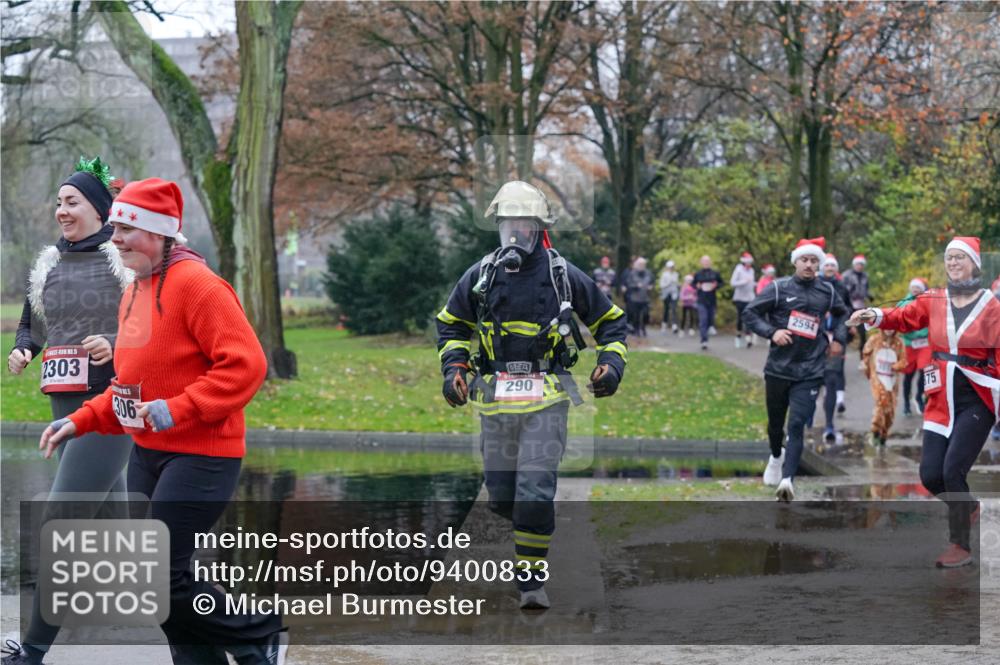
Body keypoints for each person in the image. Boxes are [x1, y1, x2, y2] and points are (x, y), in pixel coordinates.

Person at [37, 178, 287, 663]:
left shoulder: (199, 285)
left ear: (157, 232)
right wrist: (82, 420)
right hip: (148, 455)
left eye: (126, 230)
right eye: (114, 229)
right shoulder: (134, 291)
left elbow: (246, 365)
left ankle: (256, 633)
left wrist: (177, 407)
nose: (116, 239)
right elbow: (129, 387)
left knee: (159, 577)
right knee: (164, 582)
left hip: (202, 456)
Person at [435, 180, 627, 609]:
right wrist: (454, 369)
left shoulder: (562, 275)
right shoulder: (482, 275)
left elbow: (611, 323)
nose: (515, 233)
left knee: (535, 490)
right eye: (508, 225)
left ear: (539, 227)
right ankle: (523, 519)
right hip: (495, 402)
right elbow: (451, 325)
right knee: (503, 495)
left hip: (547, 401)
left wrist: (612, 366)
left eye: (523, 224)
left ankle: (530, 583)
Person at [3, 158, 135, 665]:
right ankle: (238, 625)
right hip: (63, 403)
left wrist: (116, 342)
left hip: (111, 403)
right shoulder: (50, 263)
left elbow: (152, 326)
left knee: (62, 520)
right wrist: (23, 349)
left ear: (100, 209)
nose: (61, 210)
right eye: (58, 202)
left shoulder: (122, 259)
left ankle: (32, 650)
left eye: (72, 201)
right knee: (119, 533)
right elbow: (32, 322)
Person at [850, 236, 999, 568]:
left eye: (960, 257)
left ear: (975, 263)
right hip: (939, 398)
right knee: (931, 475)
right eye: (949, 257)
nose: (953, 262)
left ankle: (960, 545)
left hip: (976, 399)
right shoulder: (934, 298)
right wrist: (874, 315)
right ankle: (968, 506)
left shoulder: (991, 305)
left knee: (952, 471)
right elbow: (903, 316)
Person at [743, 237, 849, 501]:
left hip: (811, 369)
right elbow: (750, 313)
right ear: (795, 262)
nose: (809, 265)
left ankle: (787, 480)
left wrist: (838, 338)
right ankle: (775, 456)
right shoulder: (778, 288)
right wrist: (772, 332)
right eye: (804, 260)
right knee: (776, 425)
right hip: (779, 368)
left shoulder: (827, 291)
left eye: (814, 261)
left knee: (797, 423)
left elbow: (843, 313)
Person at [819, 254, 849, 440]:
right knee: (811, 382)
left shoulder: (841, 287)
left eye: (832, 266)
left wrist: (841, 335)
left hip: (835, 340)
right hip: (814, 340)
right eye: (827, 265)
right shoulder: (813, 285)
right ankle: (805, 421)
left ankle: (829, 425)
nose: (829, 268)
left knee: (831, 379)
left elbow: (846, 311)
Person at [862, 328, 908, 447]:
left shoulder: (899, 342)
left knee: (890, 410)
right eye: (886, 327)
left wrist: (896, 366)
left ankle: (884, 432)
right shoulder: (874, 340)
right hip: (877, 377)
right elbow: (866, 354)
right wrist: (867, 368)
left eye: (891, 327)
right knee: (881, 401)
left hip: (892, 380)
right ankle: (875, 430)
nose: (889, 330)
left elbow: (904, 361)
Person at [898, 278, 930, 416]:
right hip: (909, 343)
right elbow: (897, 321)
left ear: (923, 289)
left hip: (925, 343)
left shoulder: (928, 302)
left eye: (918, 288)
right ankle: (906, 402)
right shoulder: (903, 303)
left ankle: (919, 397)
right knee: (908, 374)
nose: (915, 290)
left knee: (924, 370)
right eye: (914, 287)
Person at [842, 254, 872, 365]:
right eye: (858, 264)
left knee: (863, 334)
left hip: (861, 307)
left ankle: (863, 360)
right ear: (854, 264)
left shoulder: (865, 276)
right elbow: (842, 291)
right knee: (846, 333)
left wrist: (869, 295)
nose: (860, 266)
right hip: (848, 307)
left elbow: (866, 289)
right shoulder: (846, 275)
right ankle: (840, 357)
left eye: (861, 265)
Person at [692, 255, 722, 350]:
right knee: (703, 319)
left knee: (710, 319)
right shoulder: (698, 274)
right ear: (701, 263)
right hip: (701, 300)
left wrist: (716, 286)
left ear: (710, 262)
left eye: (707, 261)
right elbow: (693, 284)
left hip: (711, 300)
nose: (706, 263)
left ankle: (710, 327)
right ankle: (704, 340)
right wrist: (697, 286)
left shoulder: (715, 273)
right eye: (704, 261)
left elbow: (721, 283)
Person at [730, 251, 756, 348]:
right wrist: (743, 282)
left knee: (748, 317)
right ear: (744, 262)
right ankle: (738, 337)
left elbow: (752, 283)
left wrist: (756, 284)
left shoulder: (752, 270)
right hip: (739, 298)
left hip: (750, 298)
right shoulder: (738, 269)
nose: (749, 264)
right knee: (740, 318)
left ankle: (748, 338)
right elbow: (733, 283)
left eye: (750, 262)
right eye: (748, 262)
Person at [624, 257, 653, 337]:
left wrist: (650, 287)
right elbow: (628, 284)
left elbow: (652, 282)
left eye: (643, 264)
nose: (642, 266)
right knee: (636, 316)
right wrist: (636, 286)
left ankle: (643, 328)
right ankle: (636, 330)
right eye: (640, 264)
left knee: (645, 314)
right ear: (637, 265)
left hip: (645, 298)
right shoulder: (632, 273)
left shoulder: (648, 273)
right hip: (635, 299)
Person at [659, 259, 680, 333]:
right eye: (670, 267)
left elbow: (676, 284)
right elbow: (662, 285)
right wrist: (669, 283)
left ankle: (674, 325)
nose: (671, 268)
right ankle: (664, 324)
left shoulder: (676, 274)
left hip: (674, 294)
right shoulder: (664, 274)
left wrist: (677, 285)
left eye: (672, 267)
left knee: (674, 309)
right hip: (666, 294)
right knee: (666, 309)